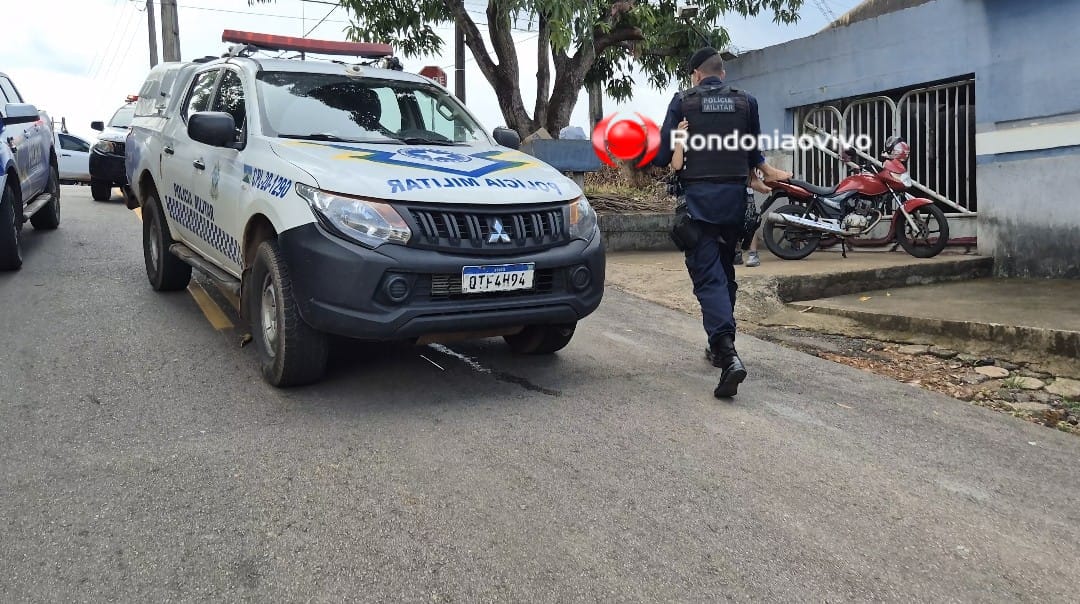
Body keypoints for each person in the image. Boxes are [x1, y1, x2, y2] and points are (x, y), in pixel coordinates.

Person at [655, 47, 790, 398]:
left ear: (696, 75)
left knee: (708, 277)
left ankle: (727, 354)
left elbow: (661, 156)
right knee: (725, 272)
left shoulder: (682, 102)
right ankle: (719, 346)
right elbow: (754, 153)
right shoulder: (746, 102)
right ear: (722, 74)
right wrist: (763, 172)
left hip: (699, 206)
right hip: (735, 205)